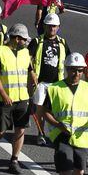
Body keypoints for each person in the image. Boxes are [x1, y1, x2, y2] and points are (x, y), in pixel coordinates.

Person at [43, 52, 88, 175]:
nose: (77, 73)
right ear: (66, 69)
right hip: (62, 137)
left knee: (79, 171)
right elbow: (46, 113)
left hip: (82, 137)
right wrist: (58, 125)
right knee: (65, 173)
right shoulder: (55, 88)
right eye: (73, 70)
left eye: (80, 70)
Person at [0, 23, 34, 175]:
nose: (25, 42)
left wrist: (33, 79)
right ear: (16, 38)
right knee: (1, 129)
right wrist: (4, 95)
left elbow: (29, 69)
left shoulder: (25, 53)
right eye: (23, 39)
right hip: (4, 99)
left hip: (22, 99)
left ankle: (14, 160)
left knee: (20, 129)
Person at [28, 13, 71, 146]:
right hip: (40, 82)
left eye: (54, 26)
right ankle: (41, 133)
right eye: (49, 26)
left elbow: (69, 60)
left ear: (58, 27)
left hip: (57, 83)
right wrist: (31, 72)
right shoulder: (37, 41)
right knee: (40, 108)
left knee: (54, 110)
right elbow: (27, 57)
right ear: (45, 26)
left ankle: (56, 134)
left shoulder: (62, 43)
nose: (52, 28)